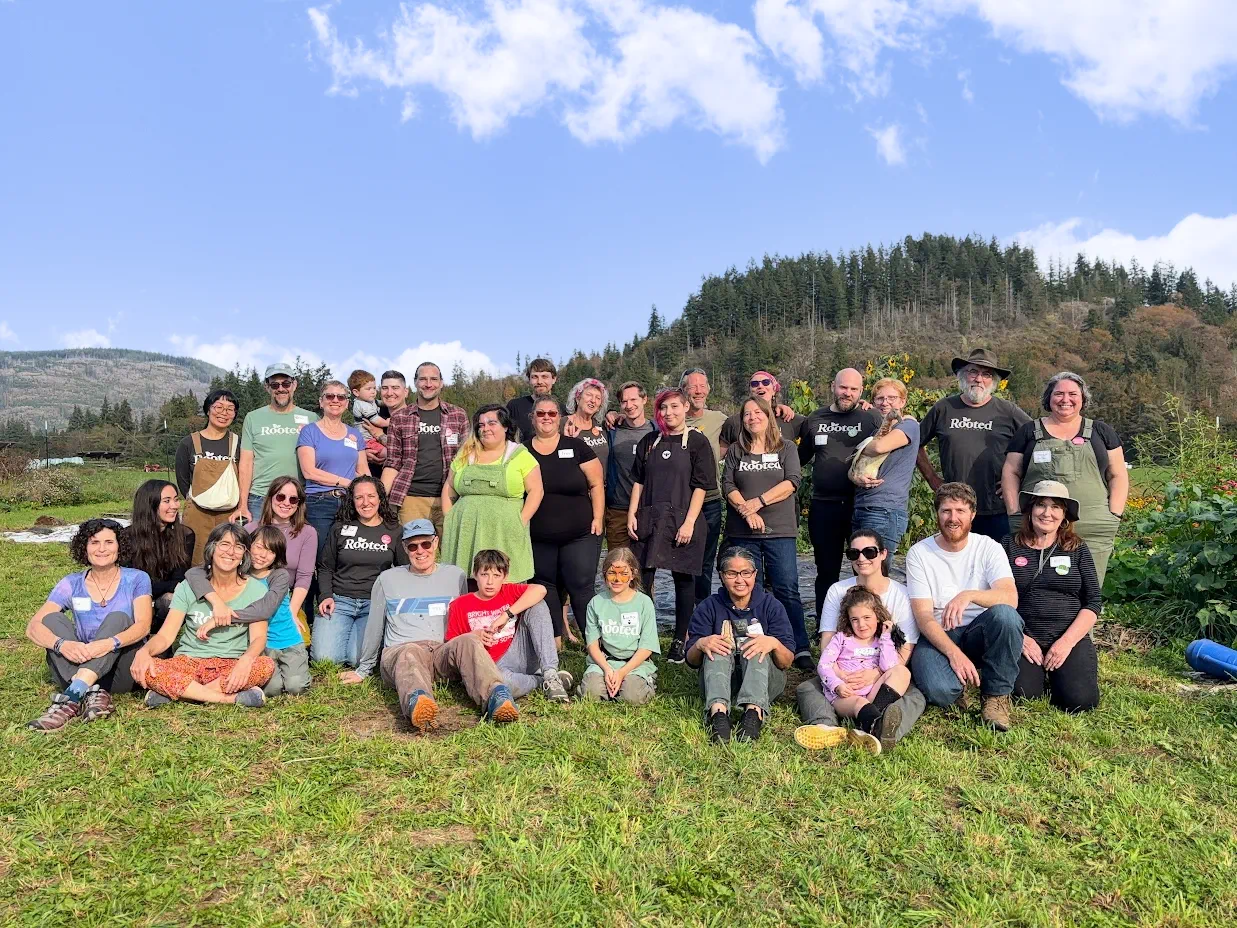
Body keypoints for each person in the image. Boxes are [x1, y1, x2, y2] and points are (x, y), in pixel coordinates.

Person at [343, 519, 520, 730]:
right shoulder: (387, 579)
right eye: (413, 546)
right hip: (401, 652)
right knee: (409, 651)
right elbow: (374, 627)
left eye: (425, 544)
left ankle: (498, 697)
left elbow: (465, 614)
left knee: (469, 640)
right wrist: (363, 669)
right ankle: (419, 702)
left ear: (436, 543)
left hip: (440, 652)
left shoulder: (456, 576)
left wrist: (476, 635)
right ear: (404, 549)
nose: (420, 551)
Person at [795, 530, 926, 754]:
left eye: (869, 552)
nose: (862, 558)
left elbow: (905, 650)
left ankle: (883, 730)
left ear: (883, 554)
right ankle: (828, 726)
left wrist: (875, 674)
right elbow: (827, 639)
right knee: (807, 688)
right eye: (854, 553)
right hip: (842, 670)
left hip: (881, 675)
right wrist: (839, 674)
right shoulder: (837, 590)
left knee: (916, 696)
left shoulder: (901, 594)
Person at [906, 483, 1023, 731]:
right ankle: (959, 683)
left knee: (1005, 615)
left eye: (960, 510)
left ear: (972, 514)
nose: (953, 518)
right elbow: (923, 616)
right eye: (946, 511)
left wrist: (968, 595)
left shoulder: (988, 547)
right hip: (938, 633)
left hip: (980, 630)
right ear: (937, 514)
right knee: (941, 692)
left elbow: (1010, 598)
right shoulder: (919, 553)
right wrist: (953, 654)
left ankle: (996, 697)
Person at [1001, 371, 1127, 586]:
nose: (1065, 399)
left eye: (1072, 394)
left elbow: (1118, 474)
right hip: (1039, 525)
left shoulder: (1101, 432)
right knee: (1035, 586)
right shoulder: (1029, 432)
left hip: (1092, 525)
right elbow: (1011, 472)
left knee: (1088, 589)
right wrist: (1014, 512)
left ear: (1083, 399)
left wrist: (1114, 513)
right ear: (1049, 398)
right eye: (1058, 393)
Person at [25, 519, 153, 730]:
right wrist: (62, 645)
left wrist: (108, 643)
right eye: (94, 542)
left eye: (109, 542)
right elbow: (33, 627)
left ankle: (71, 697)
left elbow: (143, 626)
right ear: (84, 547)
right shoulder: (71, 583)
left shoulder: (137, 578)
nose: (102, 549)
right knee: (50, 620)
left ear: (119, 546)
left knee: (118, 618)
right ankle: (91, 691)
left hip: (120, 667)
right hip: (81, 660)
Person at [131, 523, 275, 708]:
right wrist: (144, 652)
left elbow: (259, 637)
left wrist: (245, 661)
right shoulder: (187, 587)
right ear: (212, 548)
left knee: (265, 665)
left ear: (244, 555)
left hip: (232, 663)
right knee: (151, 668)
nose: (230, 552)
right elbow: (165, 636)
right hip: (189, 662)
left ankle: (184, 693)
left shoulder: (256, 589)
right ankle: (228, 698)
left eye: (238, 547)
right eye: (224, 544)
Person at [720, 395, 810, 669]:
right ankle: (753, 643)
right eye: (746, 414)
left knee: (786, 587)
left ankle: (799, 646)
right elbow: (727, 484)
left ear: (769, 416)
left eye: (757, 412)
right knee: (749, 589)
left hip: (779, 529)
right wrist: (747, 513)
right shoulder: (737, 450)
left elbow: (792, 482)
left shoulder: (785, 448)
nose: (752, 418)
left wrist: (757, 503)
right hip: (743, 532)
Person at [628, 387, 717, 664]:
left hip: (682, 518)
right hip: (650, 516)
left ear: (686, 407)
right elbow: (638, 482)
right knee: (643, 578)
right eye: (664, 408)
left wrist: (689, 522)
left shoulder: (697, 443)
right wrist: (632, 514)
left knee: (683, 578)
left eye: (675, 407)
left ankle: (680, 640)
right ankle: (645, 638)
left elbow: (701, 486)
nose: (669, 413)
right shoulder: (649, 441)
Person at [1002, 480, 1101, 713]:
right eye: (1040, 505)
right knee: (1024, 695)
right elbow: (995, 597)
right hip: (1024, 637)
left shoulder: (1077, 549)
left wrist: (1066, 643)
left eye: (1055, 507)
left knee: (1080, 701)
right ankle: (1039, 674)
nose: (1047, 513)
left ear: (1064, 514)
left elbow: (1093, 601)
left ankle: (1062, 673)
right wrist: (1020, 638)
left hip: (1067, 637)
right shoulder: (1008, 545)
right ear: (1030, 510)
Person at [918, 349, 1030, 542]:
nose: (979, 379)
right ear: (963, 376)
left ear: (993, 382)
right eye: (973, 372)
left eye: (986, 374)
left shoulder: (1008, 411)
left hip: (998, 509)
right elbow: (915, 443)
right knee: (957, 565)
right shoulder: (943, 408)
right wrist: (932, 478)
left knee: (997, 566)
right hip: (955, 509)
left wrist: (1019, 481)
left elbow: (1037, 442)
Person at [685, 547, 795, 743]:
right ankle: (717, 714)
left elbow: (786, 662)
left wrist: (774, 643)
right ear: (721, 576)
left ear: (755, 575)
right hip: (719, 680)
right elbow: (691, 661)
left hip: (764, 680)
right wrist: (701, 643)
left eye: (746, 573)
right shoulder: (708, 606)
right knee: (717, 648)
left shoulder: (772, 606)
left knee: (754, 647)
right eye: (731, 573)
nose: (739, 580)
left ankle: (754, 713)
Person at [186, 525, 308, 697]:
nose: (262, 555)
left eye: (271, 551)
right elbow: (193, 573)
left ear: (277, 556)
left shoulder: (279, 576)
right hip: (261, 645)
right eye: (258, 546)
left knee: (296, 686)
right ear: (248, 546)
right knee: (272, 689)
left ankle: (296, 670)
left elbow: (265, 609)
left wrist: (224, 616)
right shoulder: (241, 573)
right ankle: (200, 692)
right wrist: (217, 603)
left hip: (286, 640)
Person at [799, 368, 882, 610]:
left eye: (854, 389)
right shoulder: (815, 419)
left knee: (868, 567)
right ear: (833, 387)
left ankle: (868, 622)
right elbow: (799, 458)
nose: (847, 393)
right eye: (843, 387)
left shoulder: (871, 418)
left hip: (861, 505)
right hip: (824, 506)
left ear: (861, 392)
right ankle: (825, 626)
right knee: (826, 569)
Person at [525, 395, 604, 643]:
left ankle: (595, 641)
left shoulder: (578, 447)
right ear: (533, 418)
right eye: (541, 414)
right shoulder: (522, 451)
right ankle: (555, 640)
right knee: (545, 584)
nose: (546, 418)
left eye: (551, 414)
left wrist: (598, 517)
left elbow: (597, 484)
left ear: (559, 418)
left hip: (580, 532)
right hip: (538, 535)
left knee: (580, 585)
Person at [445, 548, 571, 702]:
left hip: (520, 651)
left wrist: (506, 615)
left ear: (505, 577)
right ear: (475, 575)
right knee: (499, 684)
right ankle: (543, 682)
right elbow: (451, 646)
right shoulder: (460, 604)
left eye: (496, 575)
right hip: (491, 664)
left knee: (537, 605)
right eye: (484, 575)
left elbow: (540, 589)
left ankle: (550, 673)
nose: (490, 582)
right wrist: (474, 636)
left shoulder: (507, 591)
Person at [441, 404, 543, 584]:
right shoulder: (465, 454)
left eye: (491, 423)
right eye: (481, 425)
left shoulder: (520, 455)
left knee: (505, 583)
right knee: (467, 586)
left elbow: (536, 490)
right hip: (465, 534)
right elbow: (449, 487)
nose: (485, 428)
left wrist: (520, 521)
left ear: (505, 426)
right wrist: (450, 517)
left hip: (505, 532)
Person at [313, 476, 408, 667]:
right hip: (339, 601)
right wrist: (325, 596)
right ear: (352, 501)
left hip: (373, 604)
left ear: (380, 498)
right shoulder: (340, 528)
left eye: (371, 496)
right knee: (325, 659)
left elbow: (403, 571)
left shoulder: (394, 530)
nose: (366, 503)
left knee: (358, 659)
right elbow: (325, 567)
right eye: (359, 497)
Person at [812, 587, 912, 755]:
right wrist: (837, 685)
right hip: (846, 695)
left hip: (872, 693)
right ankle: (878, 728)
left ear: (878, 617)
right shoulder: (842, 639)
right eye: (855, 619)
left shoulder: (882, 640)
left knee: (902, 672)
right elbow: (824, 665)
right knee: (859, 703)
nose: (862, 624)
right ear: (848, 621)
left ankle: (871, 722)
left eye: (867, 618)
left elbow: (889, 667)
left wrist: (886, 637)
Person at [381, 361, 469, 532]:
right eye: (423, 379)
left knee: (451, 555)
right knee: (412, 553)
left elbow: (466, 459)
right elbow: (393, 463)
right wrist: (379, 496)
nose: (428, 384)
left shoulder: (458, 415)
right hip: (411, 498)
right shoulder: (400, 418)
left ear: (441, 383)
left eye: (434, 379)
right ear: (415, 383)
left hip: (450, 497)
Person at [238, 363, 318, 522]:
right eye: (275, 384)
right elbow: (246, 463)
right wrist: (242, 504)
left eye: (286, 383)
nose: (281, 388)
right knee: (258, 546)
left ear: (294, 385)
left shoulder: (311, 418)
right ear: (267, 387)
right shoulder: (253, 418)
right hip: (260, 498)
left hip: (295, 499)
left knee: (294, 545)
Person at [578, 548, 660, 705]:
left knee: (632, 696)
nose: (617, 579)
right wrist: (608, 670)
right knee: (591, 694)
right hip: (604, 662)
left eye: (623, 573)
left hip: (635, 664)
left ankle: (645, 683)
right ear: (604, 574)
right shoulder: (596, 603)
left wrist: (622, 672)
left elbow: (647, 646)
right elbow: (592, 643)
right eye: (612, 573)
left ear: (633, 574)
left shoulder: (644, 603)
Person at [296, 379, 368, 554]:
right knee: (322, 555)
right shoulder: (309, 432)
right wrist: (346, 482)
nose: (335, 400)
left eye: (341, 397)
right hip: (319, 502)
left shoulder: (354, 434)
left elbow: (363, 471)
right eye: (330, 396)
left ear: (347, 403)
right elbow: (309, 471)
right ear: (321, 402)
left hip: (350, 503)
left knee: (348, 554)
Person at [852, 377, 921, 557]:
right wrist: (855, 477)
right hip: (863, 507)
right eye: (880, 399)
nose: (885, 403)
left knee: (876, 571)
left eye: (892, 398)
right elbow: (853, 469)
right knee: (862, 569)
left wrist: (858, 447)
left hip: (885, 510)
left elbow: (879, 447)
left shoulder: (908, 425)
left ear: (903, 401)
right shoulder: (877, 432)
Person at [680, 368, 728, 605]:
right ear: (683, 391)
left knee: (706, 561)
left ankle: (702, 609)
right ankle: (685, 614)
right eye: (692, 386)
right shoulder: (672, 418)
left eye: (702, 386)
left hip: (710, 501)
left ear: (708, 389)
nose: (698, 391)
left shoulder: (719, 419)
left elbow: (755, 421)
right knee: (682, 560)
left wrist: (779, 407)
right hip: (679, 502)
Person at [176, 389, 241, 563]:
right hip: (197, 511)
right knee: (194, 560)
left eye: (230, 409)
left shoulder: (238, 443)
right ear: (208, 410)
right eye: (218, 407)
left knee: (227, 558)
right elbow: (182, 480)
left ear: (235, 414)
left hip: (229, 513)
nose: (223, 413)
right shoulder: (188, 443)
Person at [246, 475, 316, 638]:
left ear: (299, 504)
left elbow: (304, 576)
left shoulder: (307, 533)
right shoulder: (250, 529)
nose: (286, 503)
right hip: (252, 596)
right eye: (281, 496)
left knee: (297, 640)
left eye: (293, 499)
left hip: (286, 599)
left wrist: (290, 613)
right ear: (271, 498)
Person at [122, 479, 193, 633]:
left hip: (162, 600)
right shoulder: (126, 537)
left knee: (173, 599)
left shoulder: (185, 535)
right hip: (132, 601)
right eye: (167, 501)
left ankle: (162, 640)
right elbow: (127, 584)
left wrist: (167, 588)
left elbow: (179, 580)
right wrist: (166, 586)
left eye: (176, 500)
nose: (174, 506)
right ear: (150, 504)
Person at [603, 381, 655, 551]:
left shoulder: (658, 431)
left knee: (645, 570)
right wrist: (610, 414)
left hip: (649, 509)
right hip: (618, 510)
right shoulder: (612, 430)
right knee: (617, 565)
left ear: (644, 399)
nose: (629, 405)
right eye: (624, 402)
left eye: (634, 400)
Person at [718, 369, 803, 453]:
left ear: (774, 390)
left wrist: (798, 461)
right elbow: (721, 456)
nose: (760, 386)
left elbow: (812, 430)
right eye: (754, 384)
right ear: (750, 392)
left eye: (765, 382)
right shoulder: (734, 422)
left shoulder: (787, 417)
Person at [564, 377, 611, 474]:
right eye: (589, 395)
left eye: (598, 398)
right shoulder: (563, 424)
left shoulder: (602, 426)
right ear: (577, 398)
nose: (593, 400)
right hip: (576, 486)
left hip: (602, 487)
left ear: (599, 406)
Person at [506, 357, 559, 442]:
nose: (539, 381)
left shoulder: (562, 410)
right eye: (535, 377)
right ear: (529, 380)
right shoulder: (514, 406)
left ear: (554, 379)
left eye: (544, 377)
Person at [348, 368, 390, 460]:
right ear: (356, 392)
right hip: (367, 440)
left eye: (374, 388)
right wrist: (388, 422)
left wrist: (389, 402)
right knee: (390, 454)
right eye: (368, 389)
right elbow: (377, 421)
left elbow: (380, 403)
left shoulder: (369, 401)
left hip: (373, 438)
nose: (373, 391)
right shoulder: (362, 405)